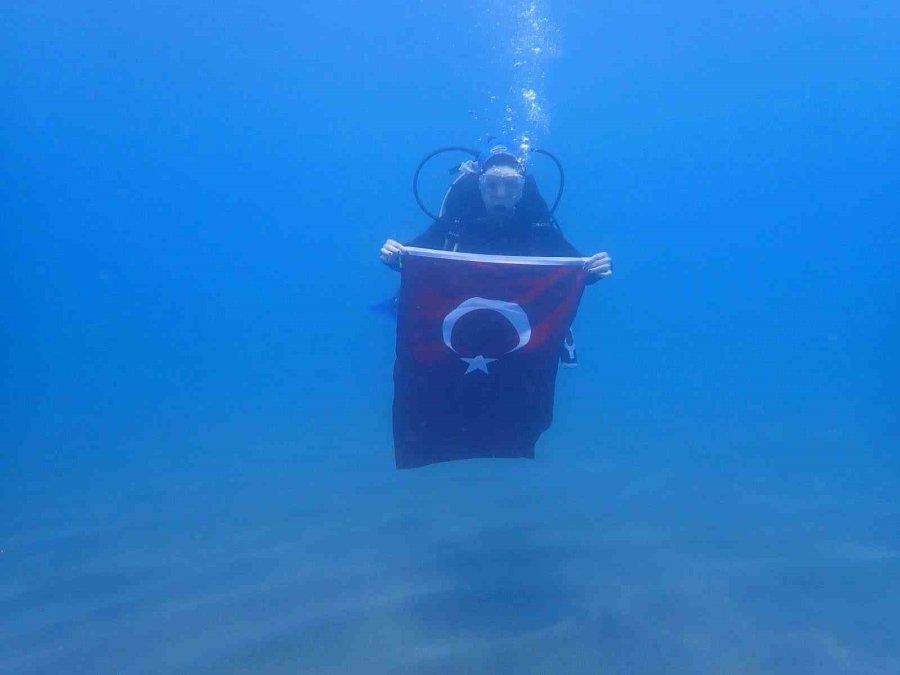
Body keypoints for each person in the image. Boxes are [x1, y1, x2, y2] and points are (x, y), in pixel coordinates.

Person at [379, 139, 612, 281]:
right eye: (491, 185)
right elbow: (412, 255)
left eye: (511, 185)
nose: (500, 194)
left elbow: (578, 265)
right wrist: (393, 257)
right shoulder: (460, 216)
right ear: (478, 186)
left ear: (522, 189)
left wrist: (595, 270)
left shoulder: (534, 219)